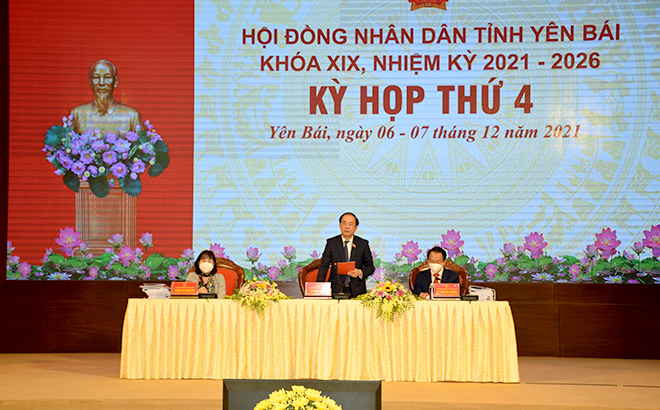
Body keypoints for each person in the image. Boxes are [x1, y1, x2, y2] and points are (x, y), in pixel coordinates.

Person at [70, 59, 142, 134]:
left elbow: (141, 145)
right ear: (90, 82)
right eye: (96, 77)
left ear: (115, 82)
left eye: (107, 77)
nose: (101, 83)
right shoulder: (77, 114)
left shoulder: (132, 116)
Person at [316, 212, 375, 297]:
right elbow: (324, 266)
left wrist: (360, 272)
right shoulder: (332, 243)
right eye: (344, 223)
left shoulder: (363, 244)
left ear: (356, 228)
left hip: (357, 290)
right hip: (336, 289)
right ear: (340, 226)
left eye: (351, 224)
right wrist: (319, 289)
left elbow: (370, 267)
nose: (347, 227)